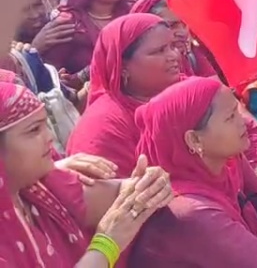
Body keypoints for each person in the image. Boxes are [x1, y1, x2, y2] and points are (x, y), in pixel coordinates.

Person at [130, 76, 257, 266]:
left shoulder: (227, 161)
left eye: (237, 110)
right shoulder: (192, 213)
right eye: (230, 117)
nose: (242, 121)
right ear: (194, 140)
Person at [1, 80, 174, 268]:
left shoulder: (40, 185)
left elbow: (124, 196)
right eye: (34, 130)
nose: (49, 137)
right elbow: (113, 228)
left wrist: (147, 185)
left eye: (45, 126)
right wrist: (107, 243)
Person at [67, 13, 182, 177]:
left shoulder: (186, 91)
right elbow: (102, 194)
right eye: (159, 51)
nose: (174, 56)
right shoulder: (103, 127)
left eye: (173, 46)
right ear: (122, 67)